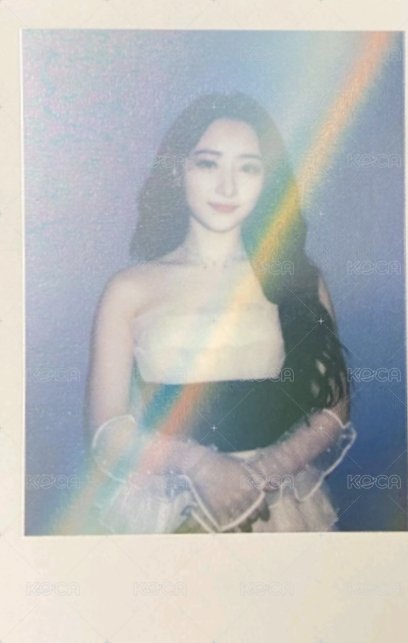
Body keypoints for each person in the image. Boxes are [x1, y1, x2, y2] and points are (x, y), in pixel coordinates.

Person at [85, 92, 357, 534]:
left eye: (248, 168)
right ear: (179, 170)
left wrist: (260, 476)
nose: (227, 187)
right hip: (168, 511)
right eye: (209, 164)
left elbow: (334, 410)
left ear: (267, 178)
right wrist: (202, 467)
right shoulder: (128, 290)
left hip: (280, 509)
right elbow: (108, 430)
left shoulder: (301, 280)